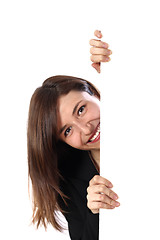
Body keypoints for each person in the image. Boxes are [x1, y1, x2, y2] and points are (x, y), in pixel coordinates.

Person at [27, 30, 120, 240]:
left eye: (81, 109)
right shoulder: (68, 179)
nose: (86, 129)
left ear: (94, 94)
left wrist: (119, 62)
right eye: (67, 131)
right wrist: (95, 211)